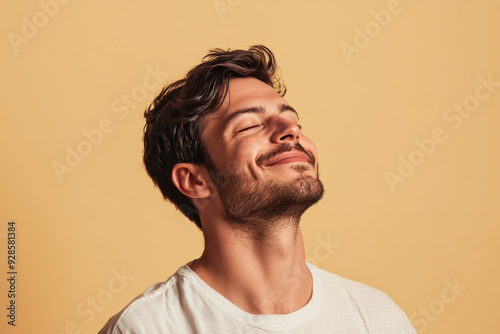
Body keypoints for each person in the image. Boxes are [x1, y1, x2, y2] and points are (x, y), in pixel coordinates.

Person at [99, 45, 416, 333]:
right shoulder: (147, 327)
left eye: (293, 121)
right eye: (249, 126)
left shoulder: (378, 318)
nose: (289, 131)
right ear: (195, 181)